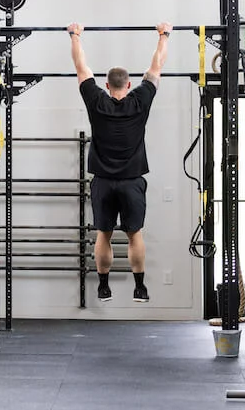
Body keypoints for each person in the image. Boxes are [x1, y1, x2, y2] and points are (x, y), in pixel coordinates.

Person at [68, 22, 171, 304]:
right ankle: (140, 288)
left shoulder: (97, 101)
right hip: (131, 181)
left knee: (104, 233)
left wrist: (75, 35)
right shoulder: (140, 100)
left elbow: (81, 66)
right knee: (134, 234)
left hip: (103, 180)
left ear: (106, 85)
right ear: (128, 84)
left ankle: (103, 287)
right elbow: (157, 65)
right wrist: (163, 35)